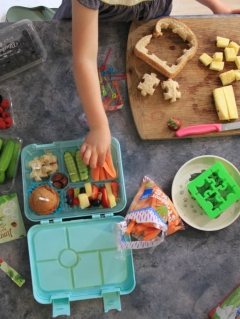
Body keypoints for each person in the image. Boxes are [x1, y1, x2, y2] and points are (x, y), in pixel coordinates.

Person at [53, 0, 240, 168]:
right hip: (91, 28)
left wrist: (218, 6)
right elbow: (84, 59)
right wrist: (99, 126)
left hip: (149, 17)